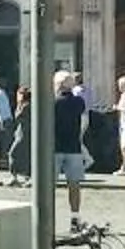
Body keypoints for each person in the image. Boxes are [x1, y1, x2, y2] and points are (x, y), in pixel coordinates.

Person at [51, 70, 89, 217]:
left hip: (55, 147)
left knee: (49, 186)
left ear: (58, 85)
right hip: (73, 147)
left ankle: (48, 216)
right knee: (74, 185)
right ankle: (75, 216)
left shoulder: (53, 102)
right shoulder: (79, 102)